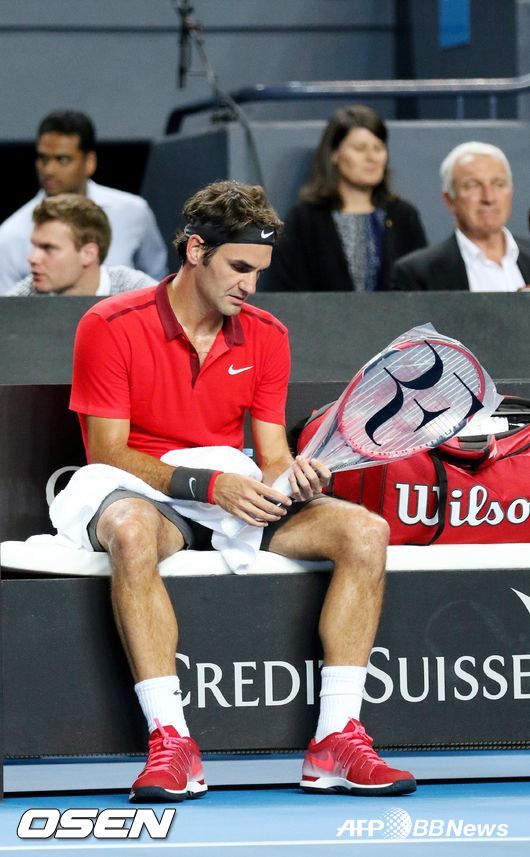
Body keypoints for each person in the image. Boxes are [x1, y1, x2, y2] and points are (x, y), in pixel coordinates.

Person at [51, 180, 415, 803]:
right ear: (196, 250)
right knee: (132, 534)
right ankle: (171, 742)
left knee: (365, 531)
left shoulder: (267, 334)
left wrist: (295, 477)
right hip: (143, 490)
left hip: (228, 493)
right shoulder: (108, 324)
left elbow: (271, 457)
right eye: (239, 267)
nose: (250, 285)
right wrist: (209, 485)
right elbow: (106, 451)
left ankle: (335, 741)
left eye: (259, 272)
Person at [0, 110, 167, 293]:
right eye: (43, 159)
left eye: (62, 159)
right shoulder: (10, 233)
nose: (49, 170)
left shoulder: (133, 211)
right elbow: (11, 307)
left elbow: (158, 279)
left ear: (89, 162)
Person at [265, 105, 427, 292]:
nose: (371, 157)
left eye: (378, 148)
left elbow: (420, 288)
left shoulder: (404, 216)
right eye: (360, 148)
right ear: (334, 154)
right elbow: (289, 291)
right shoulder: (304, 220)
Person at [391, 141, 530, 291]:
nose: (489, 198)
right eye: (473, 185)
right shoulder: (417, 273)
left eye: (499, 184)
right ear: (449, 200)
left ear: (511, 192)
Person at [5, 194, 155, 296]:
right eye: (35, 246)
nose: (32, 258)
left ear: (88, 254)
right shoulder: (21, 298)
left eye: (48, 248)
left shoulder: (139, 293)